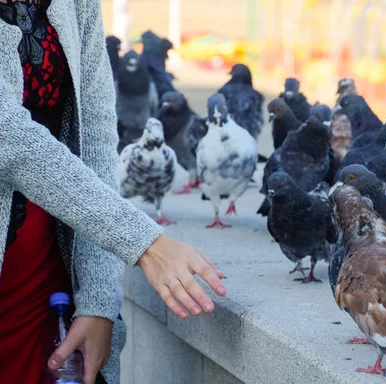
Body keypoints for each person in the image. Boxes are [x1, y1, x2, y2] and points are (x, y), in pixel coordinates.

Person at [0, 1, 227, 383]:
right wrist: (146, 243)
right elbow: (7, 134)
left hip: (47, 270)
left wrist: (100, 302)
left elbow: (98, 132)